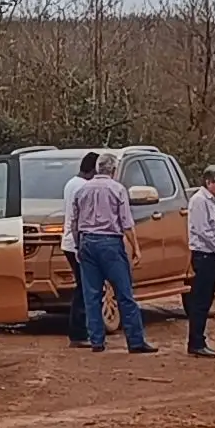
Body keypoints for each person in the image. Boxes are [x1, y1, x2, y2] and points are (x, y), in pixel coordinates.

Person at [63, 150, 153, 353]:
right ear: (113, 169)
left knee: (92, 294)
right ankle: (135, 341)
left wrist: (78, 245)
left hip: (87, 242)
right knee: (124, 292)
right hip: (110, 242)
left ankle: (96, 340)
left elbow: (74, 223)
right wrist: (136, 247)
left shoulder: (82, 190)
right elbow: (126, 223)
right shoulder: (117, 189)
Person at [182, 164, 215, 356]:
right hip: (205, 254)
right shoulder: (200, 201)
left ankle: (199, 340)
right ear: (208, 182)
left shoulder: (214, 201)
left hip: (213, 254)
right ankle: (196, 342)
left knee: (208, 297)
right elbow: (203, 231)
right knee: (201, 299)